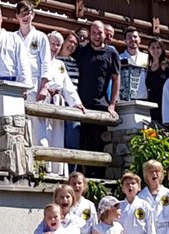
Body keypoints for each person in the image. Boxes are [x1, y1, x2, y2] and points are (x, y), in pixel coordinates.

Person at [74, 20, 120, 178]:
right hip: (80, 104)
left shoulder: (111, 53)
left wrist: (112, 103)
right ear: (89, 33)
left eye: (99, 32)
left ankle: (97, 178)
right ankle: (79, 176)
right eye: (93, 32)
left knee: (98, 143)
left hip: (100, 104)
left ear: (104, 34)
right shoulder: (82, 51)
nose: (96, 36)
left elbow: (116, 78)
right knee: (80, 142)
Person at [45, 31, 85, 176]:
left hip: (58, 104)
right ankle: (43, 169)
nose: (55, 48)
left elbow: (68, 86)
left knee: (57, 138)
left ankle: (57, 171)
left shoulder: (60, 64)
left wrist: (76, 103)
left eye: (57, 45)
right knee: (43, 138)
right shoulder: (37, 61)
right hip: (42, 103)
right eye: (52, 44)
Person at [15, 1, 51, 150]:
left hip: (36, 85)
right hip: (18, 85)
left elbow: (46, 63)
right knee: (19, 123)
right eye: (22, 14)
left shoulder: (41, 37)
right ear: (16, 16)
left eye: (28, 13)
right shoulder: (13, 37)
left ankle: (41, 162)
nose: (25, 17)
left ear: (33, 15)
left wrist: (44, 87)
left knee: (38, 126)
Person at [57, 31, 82, 164]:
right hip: (57, 102)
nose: (71, 45)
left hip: (72, 103)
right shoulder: (53, 60)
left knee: (72, 135)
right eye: (70, 41)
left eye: (75, 44)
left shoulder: (75, 63)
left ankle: (72, 170)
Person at [145, 38, 169, 124]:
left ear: (162, 49)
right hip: (153, 104)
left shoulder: (168, 65)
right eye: (153, 48)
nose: (155, 50)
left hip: (166, 103)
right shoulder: (148, 67)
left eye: (158, 47)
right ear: (149, 50)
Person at [120, 26, 148, 100]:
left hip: (144, 99)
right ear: (125, 41)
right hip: (125, 99)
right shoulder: (119, 58)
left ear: (139, 39)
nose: (132, 39)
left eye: (135, 37)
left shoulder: (147, 58)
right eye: (129, 37)